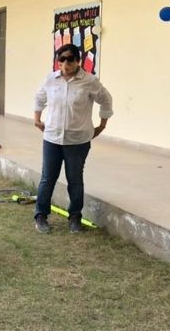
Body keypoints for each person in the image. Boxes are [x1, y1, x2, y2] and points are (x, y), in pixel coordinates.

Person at [32, 43, 113, 234]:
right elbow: (39, 98)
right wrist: (37, 119)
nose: (65, 64)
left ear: (78, 60)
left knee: (75, 180)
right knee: (47, 178)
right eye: (61, 59)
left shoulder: (89, 81)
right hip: (52, 139)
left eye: (70, 59)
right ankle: (41, 216)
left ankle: (75, 218)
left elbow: (106, 100)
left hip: (77, 141)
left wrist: (102, 125)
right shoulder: (51, 79)